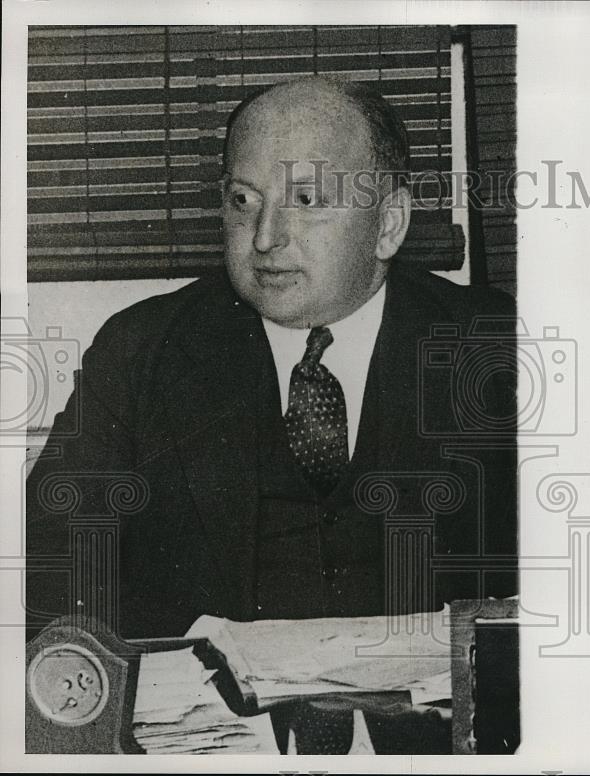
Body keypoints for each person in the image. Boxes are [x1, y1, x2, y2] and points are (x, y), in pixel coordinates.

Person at [25, 76, 518, 642]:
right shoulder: (141, 349)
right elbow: (54, 566)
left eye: (305, 201)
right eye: (243, 200)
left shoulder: (493, 349)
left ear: (387, 224)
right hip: (210, 714)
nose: (265, 237)